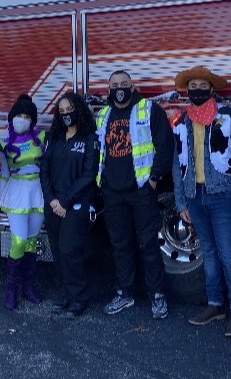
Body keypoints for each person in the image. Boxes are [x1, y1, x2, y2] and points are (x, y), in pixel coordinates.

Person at [171, 66, 231, 337]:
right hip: (195, 197)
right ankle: (215, 305)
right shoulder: (182, 122)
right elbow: (177, 163)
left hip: (223, 196)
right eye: (192, 85)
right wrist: (181, 201)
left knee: (228, 254)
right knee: (208, 253)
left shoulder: (230, 117)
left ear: (211, 89)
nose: (196, 90)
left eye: (201, 85)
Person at [96, 69, 174, 319]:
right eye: (114, 84)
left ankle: (158, 296)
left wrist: (153, 179)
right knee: (120, 246)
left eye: (124, 84)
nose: (119, 88)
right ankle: (124, 294)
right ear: (109, 89)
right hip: (112, 192)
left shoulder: (148, 109)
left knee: (149, 244)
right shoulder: (103, 114)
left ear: (132, 86)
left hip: (141, 190)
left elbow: (165, 144)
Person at [40, 92, 99, 318]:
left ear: (79, 110)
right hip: (54, 205)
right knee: (57, 252)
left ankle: (79, 299)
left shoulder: (89, 139)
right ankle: (67, 295)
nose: (66, 115)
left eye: (70, 110)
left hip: (76, 205)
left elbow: (88, 175)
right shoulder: (52, 139)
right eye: (62, 111)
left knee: (69, 250)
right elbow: (44, 171)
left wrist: (64, 201)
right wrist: (52, 200)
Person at [0, 94, 45, 310]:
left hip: (38, 192)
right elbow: (0, 173)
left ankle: (28, 287)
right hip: (17, 193)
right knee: (18, 241)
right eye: (19, 115)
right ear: (12, 118)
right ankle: (11, 289)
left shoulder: (42, 138)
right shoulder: (2, 145)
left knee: (30, 241)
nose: (22, 119)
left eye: (27, 116)